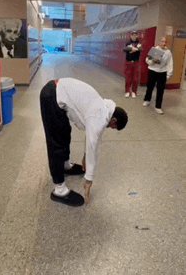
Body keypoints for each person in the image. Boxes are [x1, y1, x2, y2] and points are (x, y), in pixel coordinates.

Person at [40, 77, 128, 207]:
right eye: (112, 127)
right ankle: (59, 190)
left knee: (64, 132)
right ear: (114, 120)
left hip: (57, 90)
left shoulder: (103, 108)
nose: (110, 128)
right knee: (56, 142)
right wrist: (89, 180)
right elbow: (93, 145)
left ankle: (64, 166)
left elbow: (92, 134)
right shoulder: (99, 117)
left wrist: (85, 157)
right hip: (51, 95)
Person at [143, 37, 173, 114]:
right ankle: (147, 100)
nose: (163, 44)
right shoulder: (154, 49)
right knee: (150, 87)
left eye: (165, 42)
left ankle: (158, 106)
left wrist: (168, 75)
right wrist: (152, 61)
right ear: (159, 42)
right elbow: (147, 60)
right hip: (152, 71)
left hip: (162, 72)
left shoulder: (168, 52)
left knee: (160, 90)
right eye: (162, 42)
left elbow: (170, 64)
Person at [123, 30, 142, 98]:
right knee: (128, 78)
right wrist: (131, 48)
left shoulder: (139, 43)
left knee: (135, 78)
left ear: (137, 36)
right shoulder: (128, 43)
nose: (134, 36)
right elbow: (124, 49)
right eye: (132, 35)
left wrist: (134, 49)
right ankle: (127, 91)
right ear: (131, 36)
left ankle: (134, 91)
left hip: (136, 62)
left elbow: (140, 50)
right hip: (128, 62)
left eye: (135, 35)